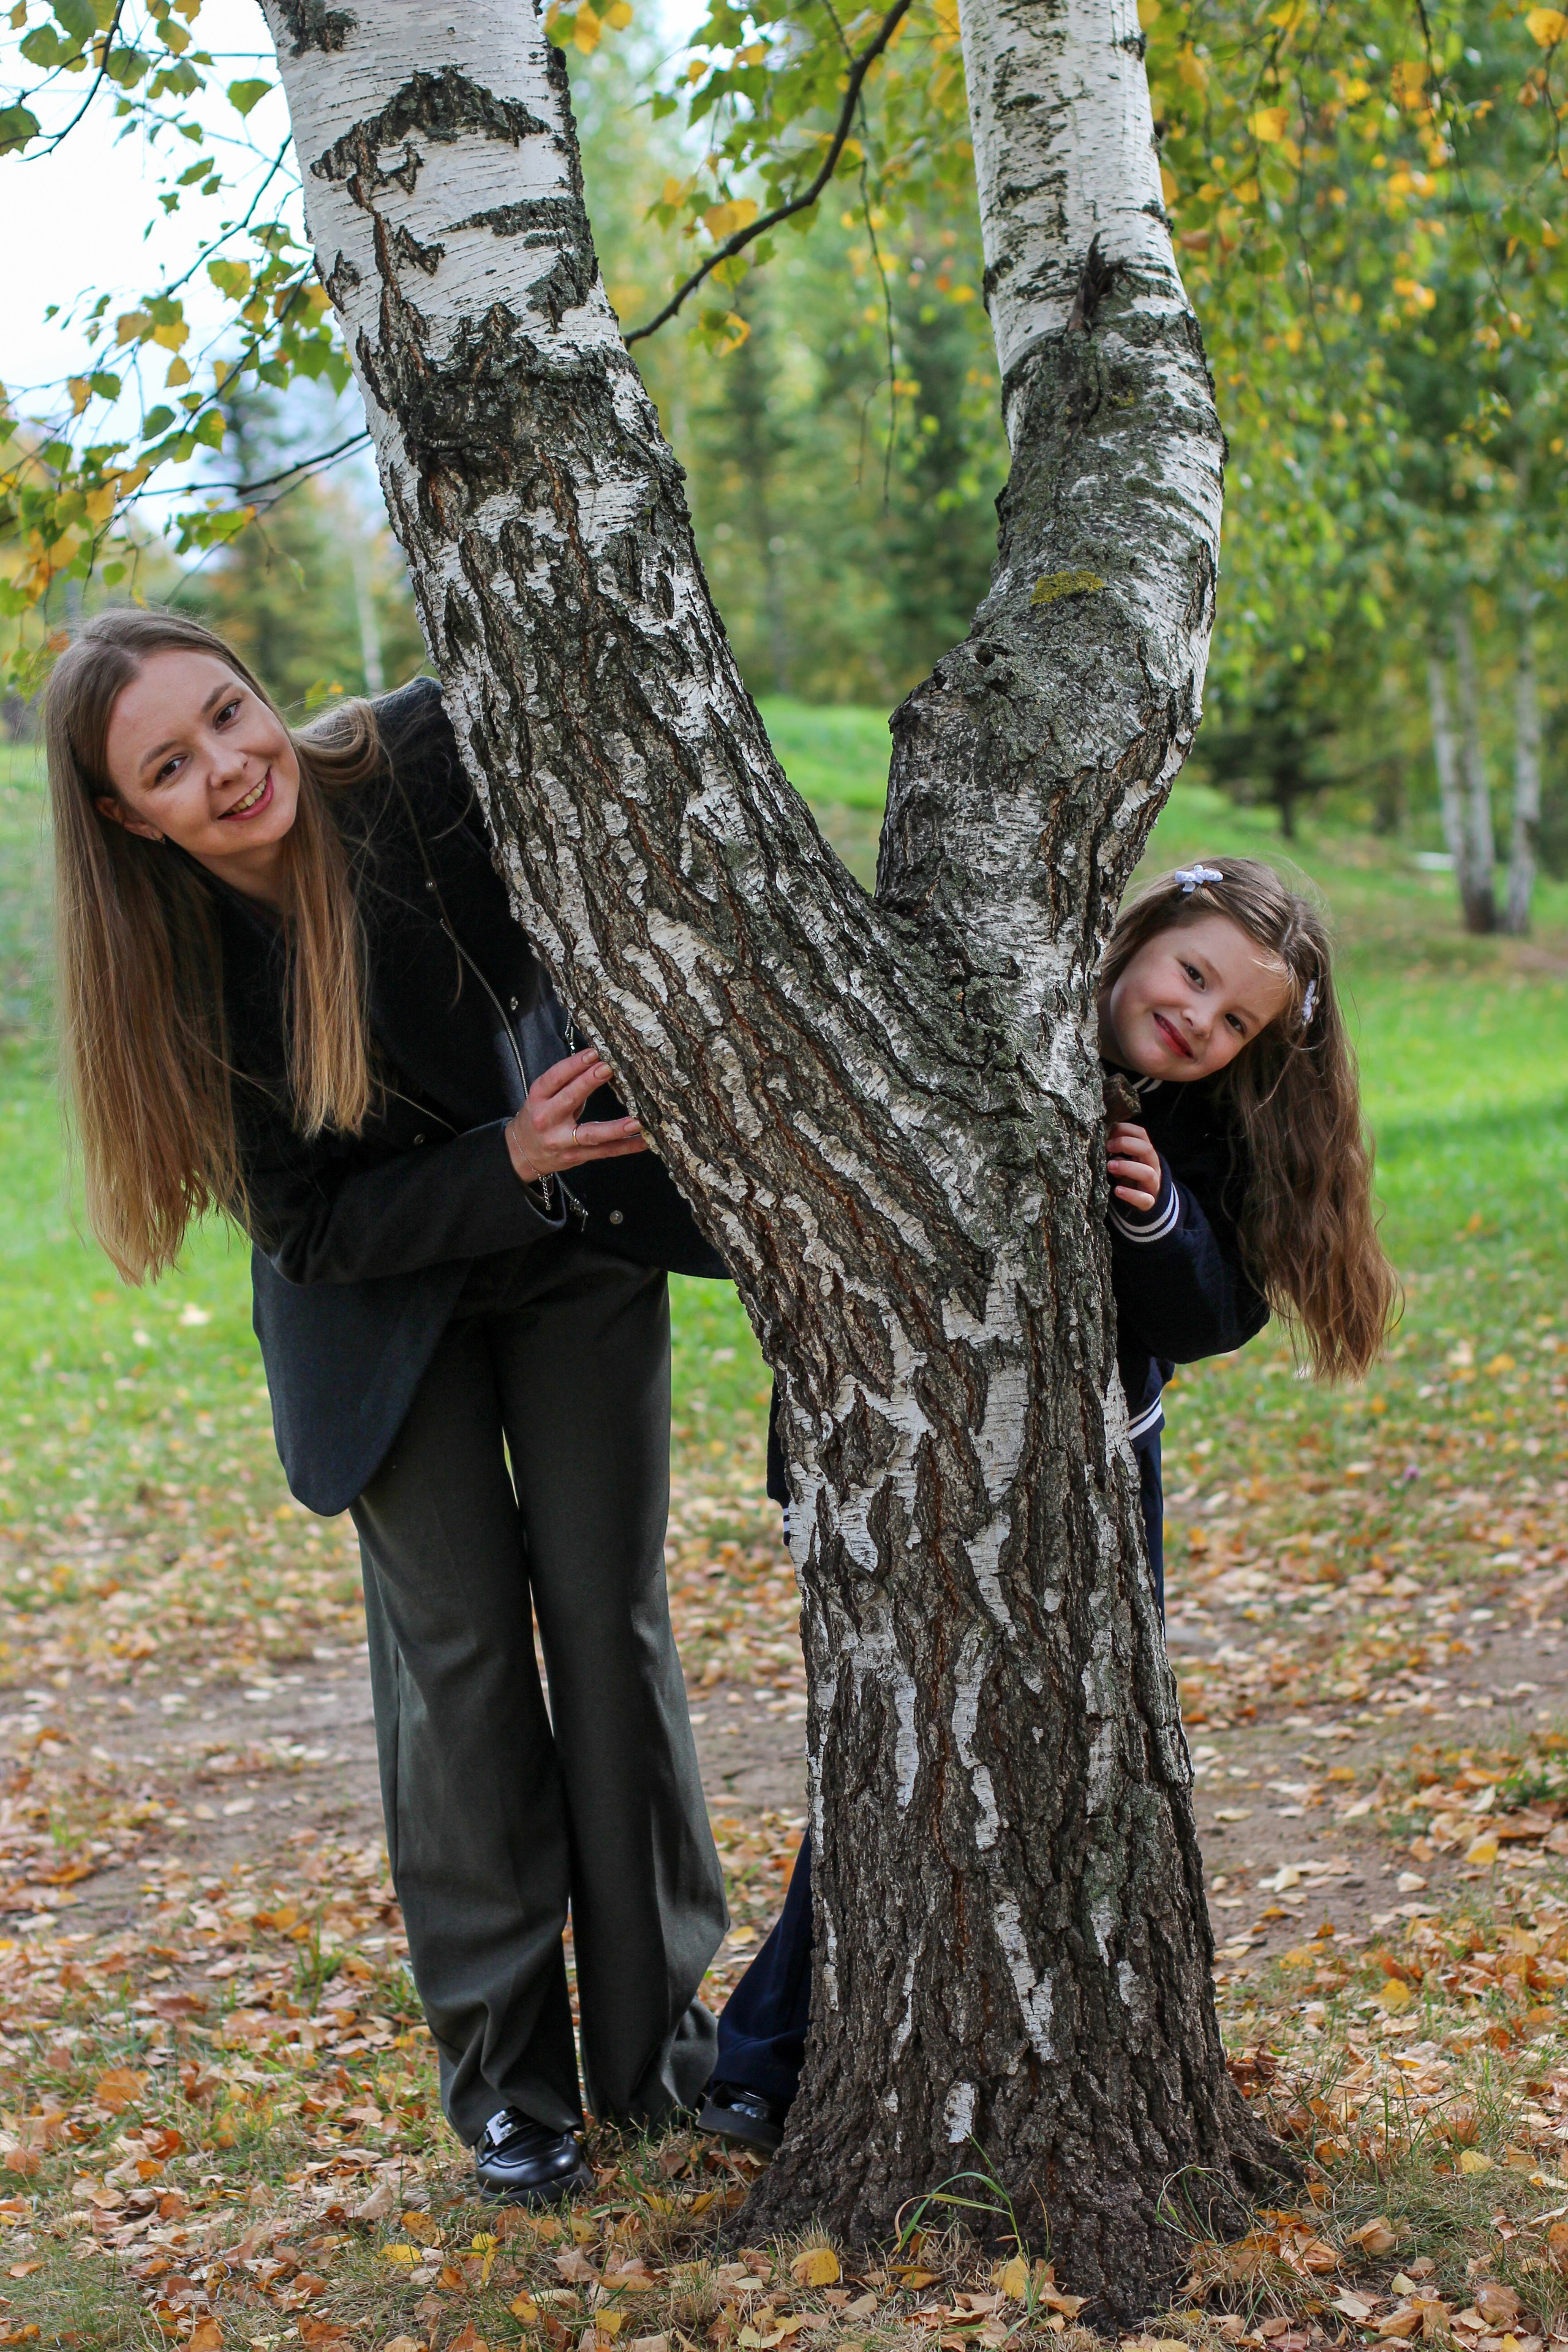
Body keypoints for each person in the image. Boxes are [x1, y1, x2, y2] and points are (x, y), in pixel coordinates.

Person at [47, 608, 732, 2204]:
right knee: (465, 1664)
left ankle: (657, 2057)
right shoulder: (171, 970)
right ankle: (507, 2091)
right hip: (381, 1306)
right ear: (126, 818)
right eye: (170, 767)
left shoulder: (423, 753)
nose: (229, 768)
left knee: (607, 1620)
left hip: (573, 1247)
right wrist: (499, 1162)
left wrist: (550, 1152)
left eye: (228, 714)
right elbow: (311, 1230)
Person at [698, 855, 1400, 2153]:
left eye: (1235, 1019)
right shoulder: (981, 1038)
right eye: (1192, 974)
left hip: (1088, 1486)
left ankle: (1064, 2052)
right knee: (898, 1758)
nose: (1198, 1019)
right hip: (896, 1464)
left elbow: (1212, 1315)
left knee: (1066, 1755)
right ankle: (764, 2057)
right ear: (1139, 937)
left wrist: (1157, 1217)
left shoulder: (1202, 1128)